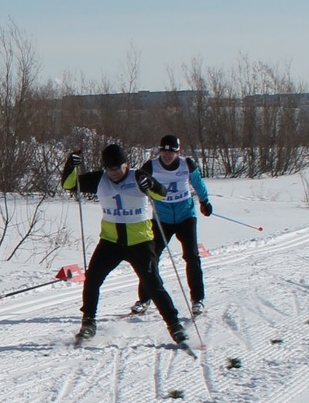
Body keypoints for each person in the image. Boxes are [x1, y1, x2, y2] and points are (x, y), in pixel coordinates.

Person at [62, 144, 186, 345]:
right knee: (92, 279)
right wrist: (71, 165)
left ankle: (174, 325)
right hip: (111, 242)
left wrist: (151, 186)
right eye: (110, 169)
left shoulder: (138, 177)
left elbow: (162, 194)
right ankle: (88, 323)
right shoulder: (100, 179)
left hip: (140, 243)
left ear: (126, 165)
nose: (114, 173)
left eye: (117, 168)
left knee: (153, 284)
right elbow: (69, 185)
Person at [131, 134, 213, 317]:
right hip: (162, 218)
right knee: (150, 258)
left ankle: (197, 299)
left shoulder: (186, 164)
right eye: (164, 150)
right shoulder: (150, 166)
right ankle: (144, 299)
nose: (167, 155)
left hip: (186, 216)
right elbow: (136, 184)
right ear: (159, 150)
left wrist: (204, 201)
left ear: (178, 151)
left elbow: (198, 183)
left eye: (172, 151)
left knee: (191, 256)